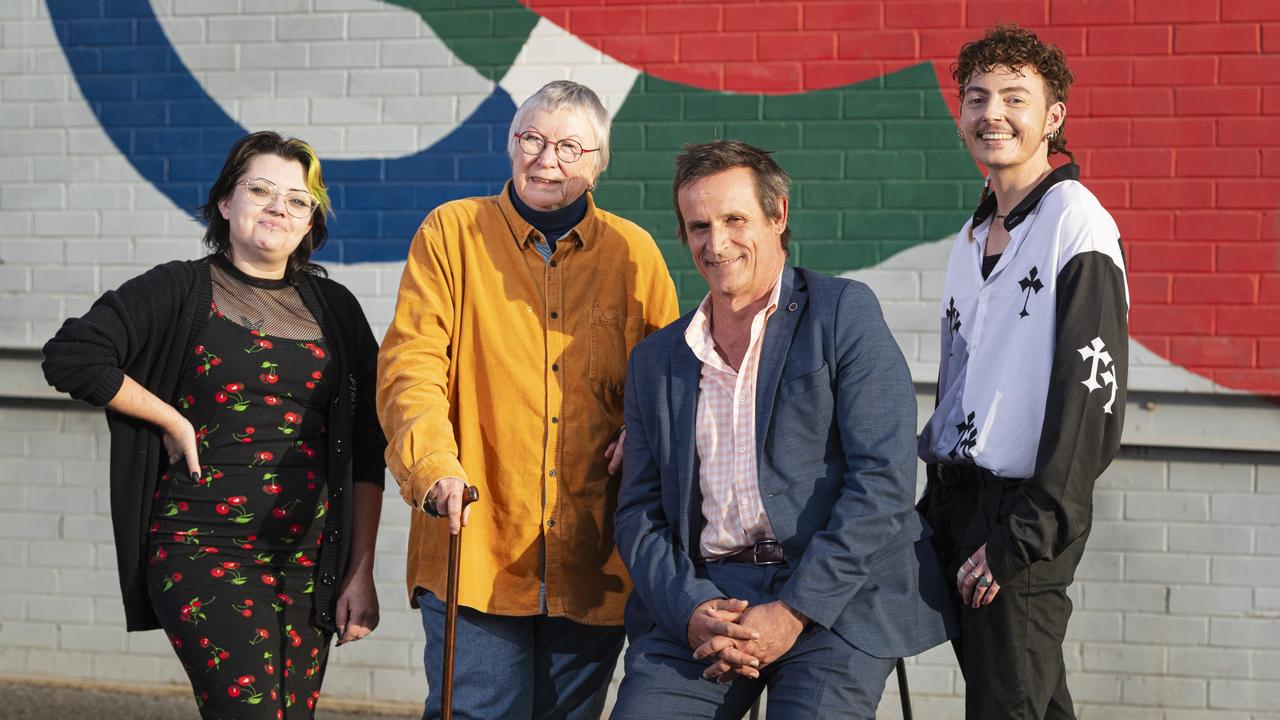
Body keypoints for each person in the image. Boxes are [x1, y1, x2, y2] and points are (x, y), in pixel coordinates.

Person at [42, 131, 387, 719]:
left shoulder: (338, 310)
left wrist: (360, 572)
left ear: (310, 222)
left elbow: (366, 444)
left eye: (298, 200)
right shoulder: (180, 288)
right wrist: (169, 417)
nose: (279, 206)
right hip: (202, 546)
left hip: (308, 561)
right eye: (260, 189)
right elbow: (71, 355)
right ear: (225, 202)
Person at [611, 140, 955, 719]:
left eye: (734, 220)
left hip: (835, 600)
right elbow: (639, 513)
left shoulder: (842, 312)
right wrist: (691, 609)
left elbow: (884, 481)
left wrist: (796, 608)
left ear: (779, 216)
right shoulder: (656, 360)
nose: (716, 244)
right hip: (709, 601)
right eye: (698, 226)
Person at [377, 80, 679, 720]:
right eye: (533, 139)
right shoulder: (451, 233)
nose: (548, 160)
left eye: (571, 146)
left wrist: (645, 430)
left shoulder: (635, 255)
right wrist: (432, 466)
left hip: (596, 553)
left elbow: (669, 381)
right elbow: (412, 365)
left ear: (601, 162)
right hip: (478, 541)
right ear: (510, 144)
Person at [916, 25, 1129, 720]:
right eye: (976, 98)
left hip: (1022, 513)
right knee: (1029, 703)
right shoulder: (971, 236)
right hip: (960, 499)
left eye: (1015, 97)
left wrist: (1026, 534)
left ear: (1053, 117)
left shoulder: (1076, 222)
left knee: (1007, 707)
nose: (992, 114)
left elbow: (1092, 399)